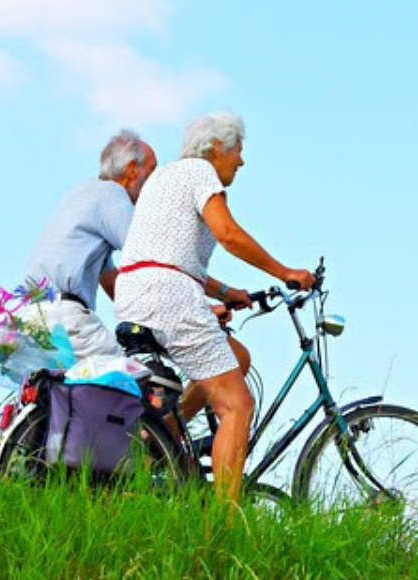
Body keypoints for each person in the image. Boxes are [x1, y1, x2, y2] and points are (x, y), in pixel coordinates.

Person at [114, 111, 315, 502]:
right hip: (168, 295)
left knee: (235, 357)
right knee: (237, 405)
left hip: (138, 292)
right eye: (239, 150)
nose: (241, 161)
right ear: (218, 147)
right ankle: (223, 527)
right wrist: (284, 272)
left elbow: (167, 254)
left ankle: (165, 437)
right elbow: (228, 233)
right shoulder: (200, 171)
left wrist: (226, 293)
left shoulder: (164, 178)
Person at [21, 129, 157, 359]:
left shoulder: (83, 194)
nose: (155, 181)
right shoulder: (112, 194)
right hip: (65, 317)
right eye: (153, 170)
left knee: (69, 391)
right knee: (132, 382)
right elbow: (151, 256)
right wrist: (197, 309)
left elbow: (113, 282)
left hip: (33, 316)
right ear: (132, 168)